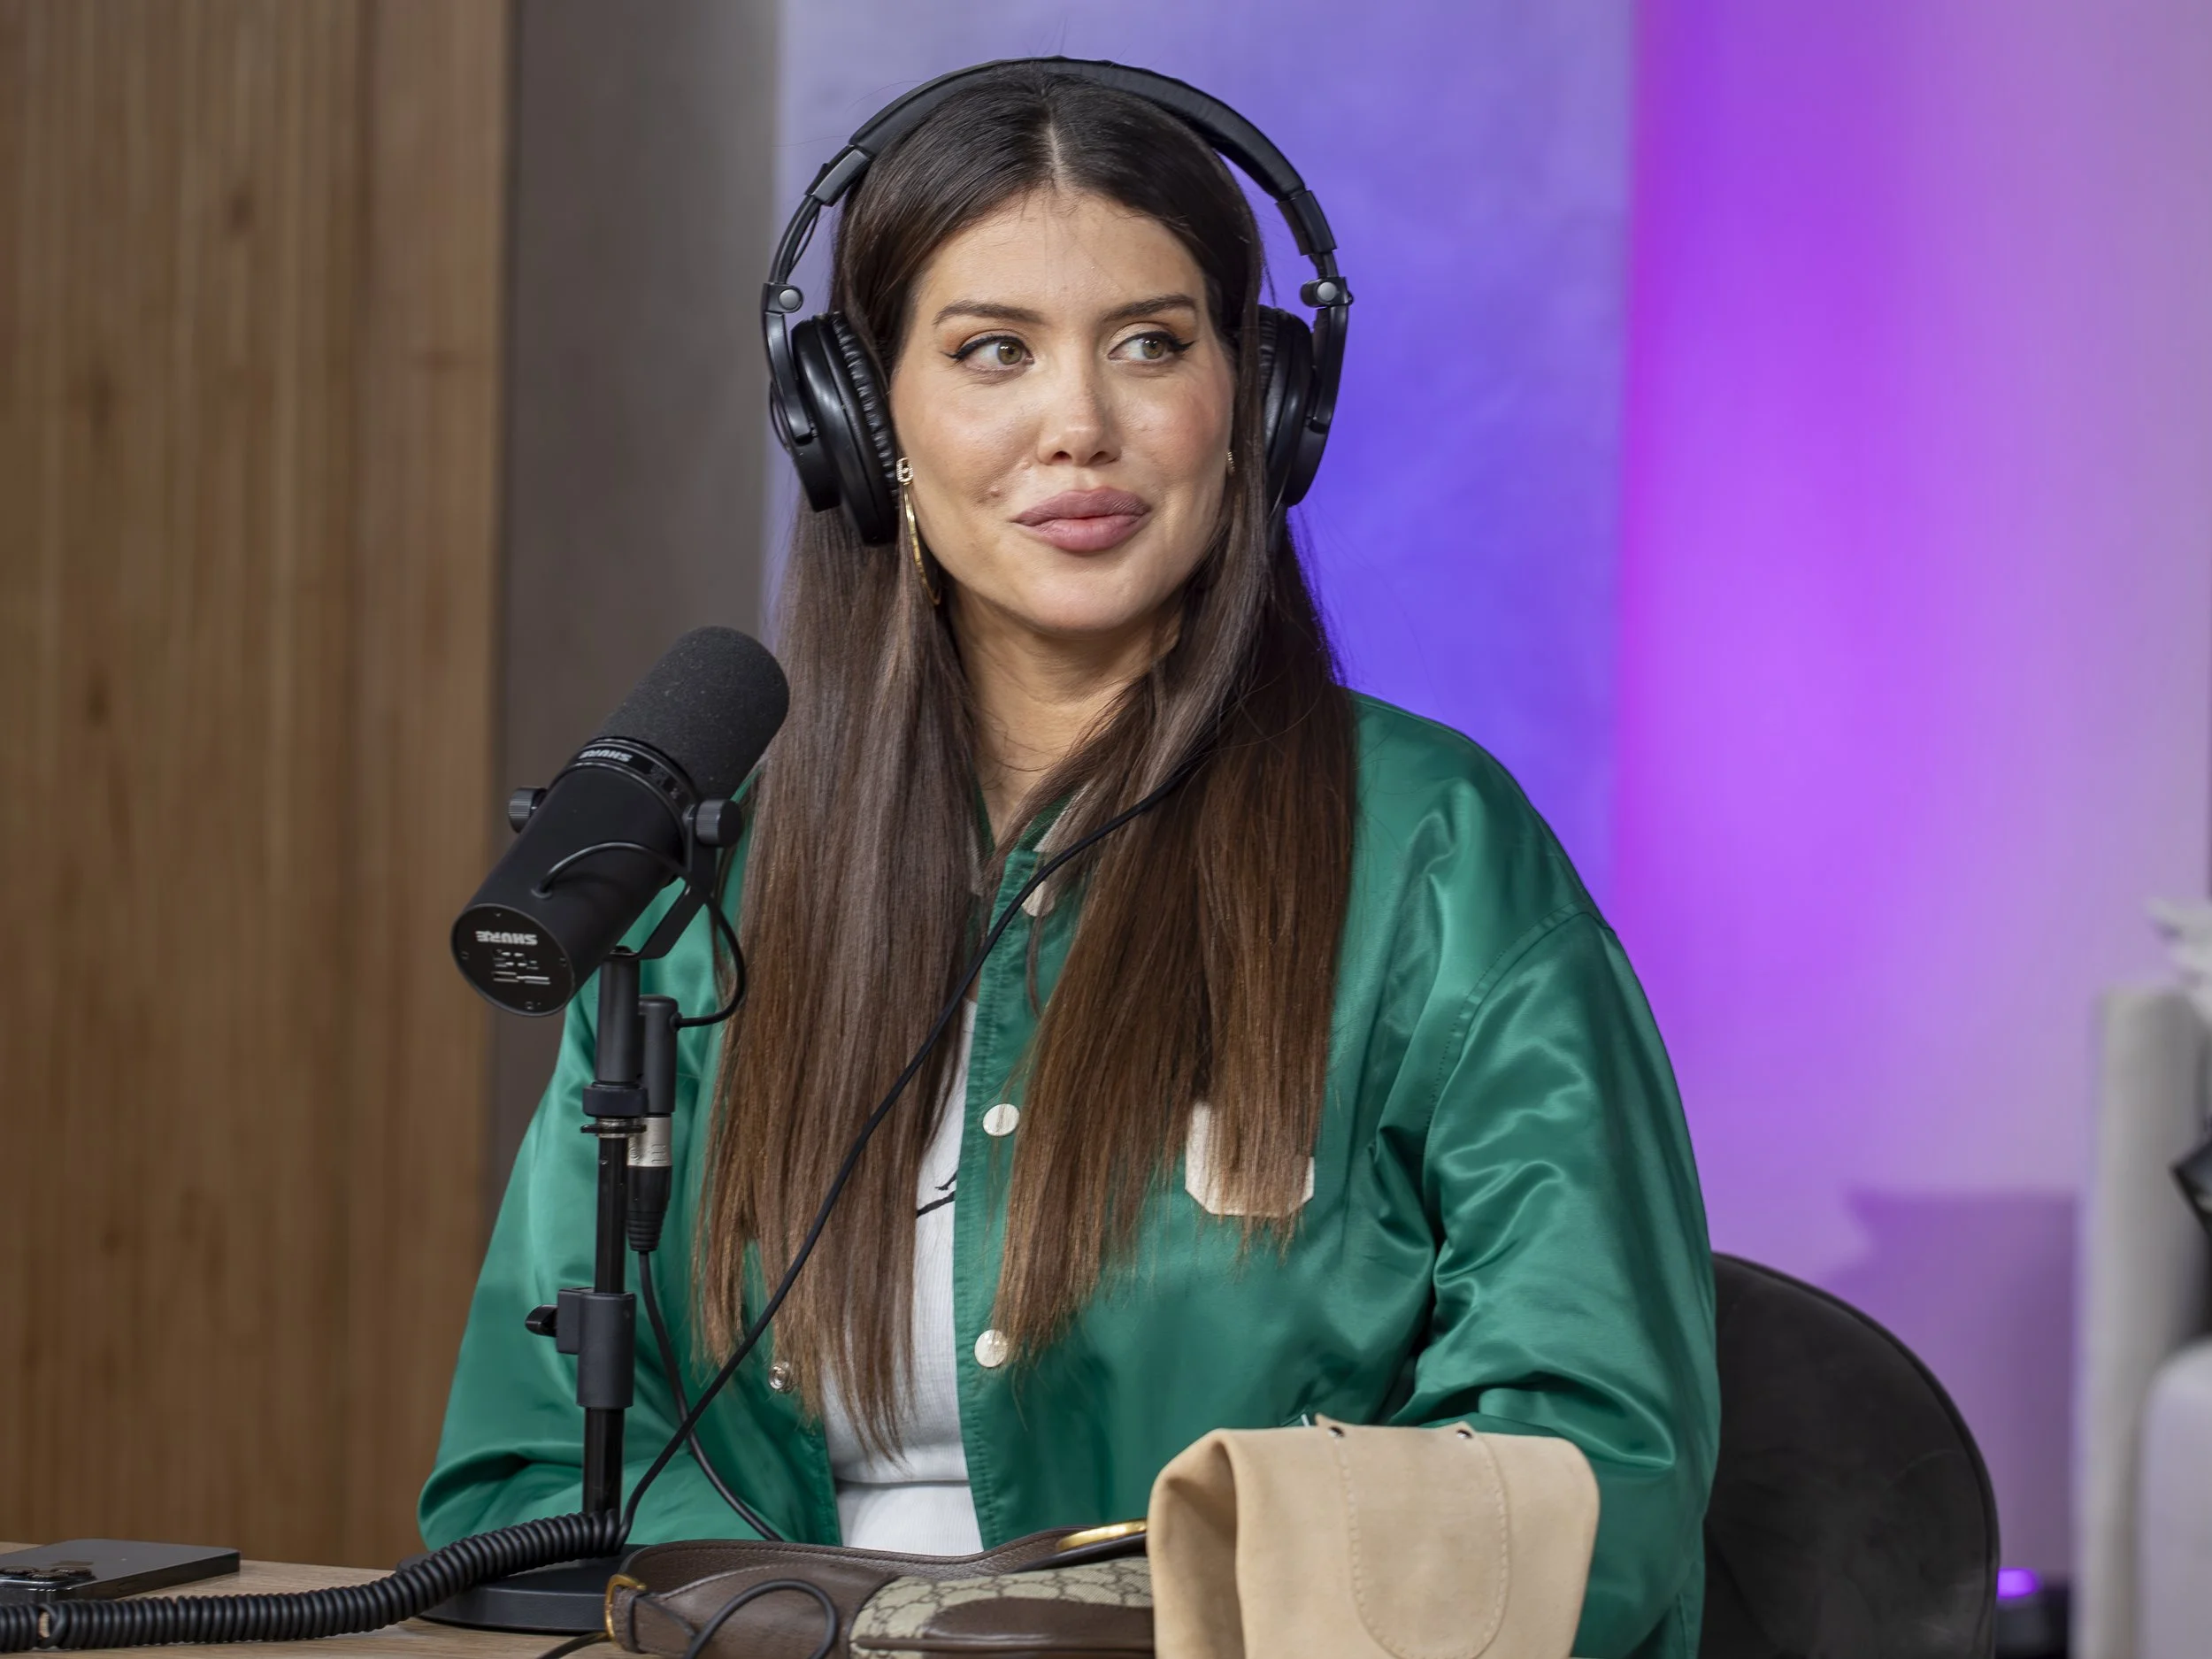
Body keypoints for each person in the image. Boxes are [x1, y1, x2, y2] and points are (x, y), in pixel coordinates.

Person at [420, 61, 1717, 1659]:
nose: (1081, 427)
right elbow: (522, 1472)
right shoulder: (705, 894)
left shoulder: (1442, 861)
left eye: (1153, 346)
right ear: (856, 417)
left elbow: (1591, 1469)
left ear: (1256, 405)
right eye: (992, 354)